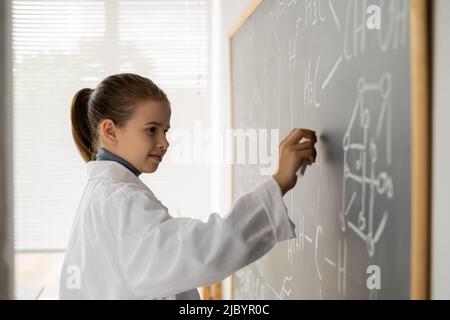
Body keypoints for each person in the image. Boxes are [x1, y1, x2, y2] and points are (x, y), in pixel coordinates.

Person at [59, 73, 317, 299]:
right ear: (110, 131)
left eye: (166, 131)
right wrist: (279, 182)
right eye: (152, 130)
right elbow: (193, 252)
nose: (164, 143)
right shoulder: (120, 199)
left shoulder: (104, 194)